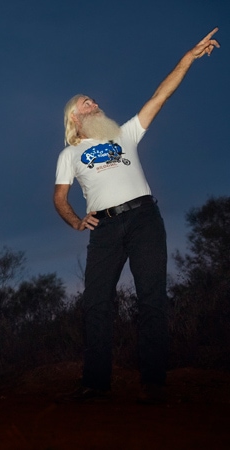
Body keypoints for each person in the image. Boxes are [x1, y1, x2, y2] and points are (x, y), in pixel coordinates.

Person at [53, 29, 220, 404]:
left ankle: (154, 383)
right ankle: (96, 383)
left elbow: (160, 96)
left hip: (144, 218)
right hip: (106, 227)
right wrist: (77, 221)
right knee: (96, 302)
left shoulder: (124, 135)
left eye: (94, 100)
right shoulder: (70, 154)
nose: (93, 103)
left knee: (152, 298)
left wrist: (188, 58)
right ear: (74, 118)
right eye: (85, 103)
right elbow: (59, 197)